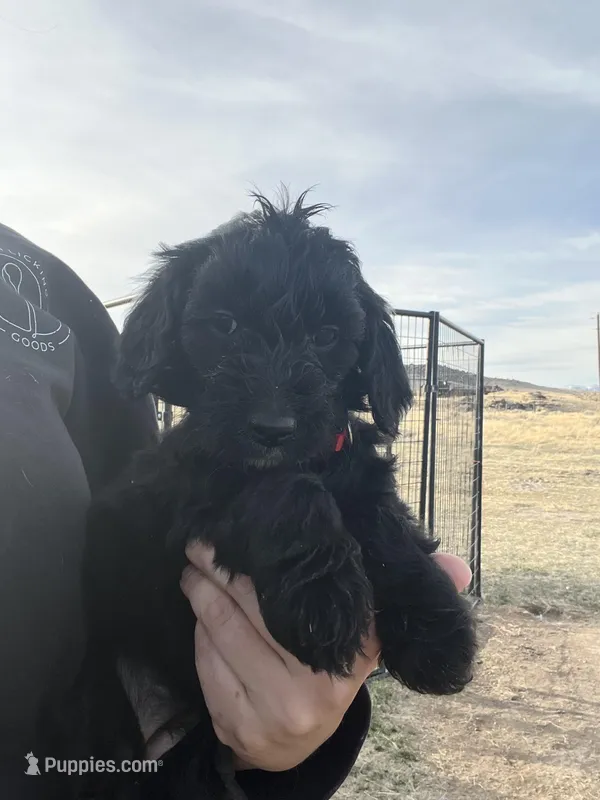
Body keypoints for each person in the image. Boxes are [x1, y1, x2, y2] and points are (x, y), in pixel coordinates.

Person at [0, 222, 472, 799]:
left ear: (361, 356)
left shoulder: (46, 289)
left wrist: (402, 575)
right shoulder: (181, 466)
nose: (273, 406)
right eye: (224, 326)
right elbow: (125, 518)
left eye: (325, 336)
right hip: (88, 734)